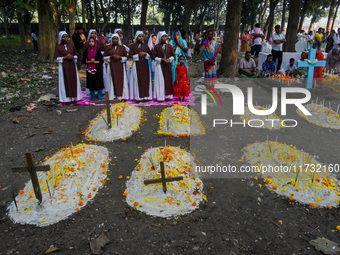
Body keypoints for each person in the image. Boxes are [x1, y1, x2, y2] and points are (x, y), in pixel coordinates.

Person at [54, 31, 82, 103]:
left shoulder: (71, 46)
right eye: (64, 37)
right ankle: (66, 99)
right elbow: (56, 58)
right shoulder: (58, 47)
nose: (65, 38)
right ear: (61, 38)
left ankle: (74, 98)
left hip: (72, 65)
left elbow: (76, 55)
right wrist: (64, 57)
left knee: (73, 80)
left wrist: (72, 57)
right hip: (64, 66)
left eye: (66, 36)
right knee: (65, 81)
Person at [104, 34, 129, 100]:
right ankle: (112, 96)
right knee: (111, 80)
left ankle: (121, 96)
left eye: (116, 38)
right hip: (111, 66)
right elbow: (104, 57)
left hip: (120, 66)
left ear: (119, 39)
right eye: (114, 39)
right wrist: (111, 57)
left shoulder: (122, 48)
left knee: (121, 80)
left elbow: (126, 57)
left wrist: (120, 57)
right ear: (112, 40)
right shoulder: (108, 47)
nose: (115, 40)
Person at [129, 31, 152, 101]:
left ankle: (146, 96)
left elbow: (150, 54)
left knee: (145, 79)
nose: (141, 37)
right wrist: (138, 55)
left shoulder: (145, 45)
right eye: (139, 36)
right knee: (136, 79)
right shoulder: (133, 46)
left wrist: (145, 54)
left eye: (142, 36)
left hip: (145, 64)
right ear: (136, 37)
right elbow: (130, 55)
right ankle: (138, 97)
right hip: (136, 65)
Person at [153, 31, 175, 101]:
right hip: (160, 66)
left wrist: (169, 59)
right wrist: (161, 59)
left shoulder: (169, 46)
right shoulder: (157, 47)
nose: (164, 38)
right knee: (161, 80)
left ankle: (168, 96)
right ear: (160, 37)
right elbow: (153, 57)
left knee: (168, 80)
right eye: (163, 36)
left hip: (168, 66)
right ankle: (160, 96)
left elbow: (173, 55)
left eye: (165, 36)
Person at [82, 37, 104, 102]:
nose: (91, 43)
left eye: (92, 41)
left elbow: (101, 61)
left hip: (97, 69)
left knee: (99, 82)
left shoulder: (97, 50)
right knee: (91, 83)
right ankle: (93, 98)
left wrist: (95, 62)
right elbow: (83, 60)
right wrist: (89, 62)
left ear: (95, 43)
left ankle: (99, 98)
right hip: (89, 69)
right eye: (90, 41)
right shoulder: (86, 51)